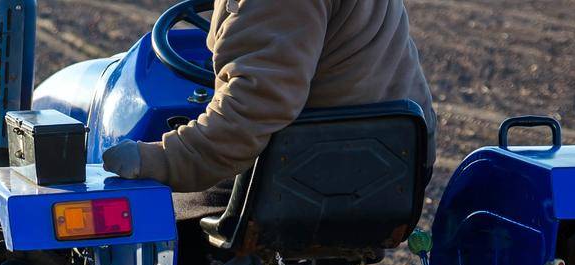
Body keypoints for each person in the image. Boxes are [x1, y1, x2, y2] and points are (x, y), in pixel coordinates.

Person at [102, 0, 438, 194]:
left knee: (159, 213)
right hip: (392, 160)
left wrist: (160, 159)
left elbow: (249, 115)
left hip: (320, 172)